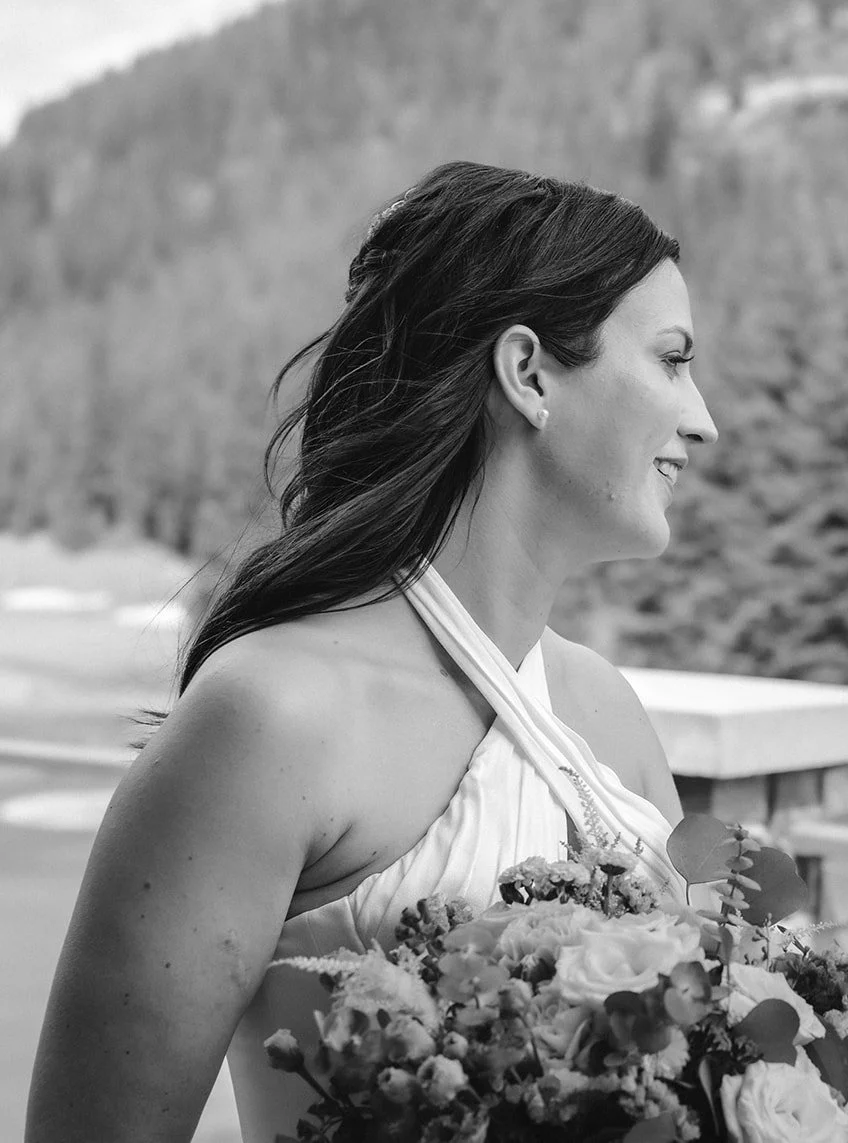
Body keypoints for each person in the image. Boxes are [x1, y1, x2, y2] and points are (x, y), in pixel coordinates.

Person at [26, 160, 717, 1143]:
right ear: (527, 374)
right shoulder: (272, 719)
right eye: (673, 358)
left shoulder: (603, 711)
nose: (703, 418)